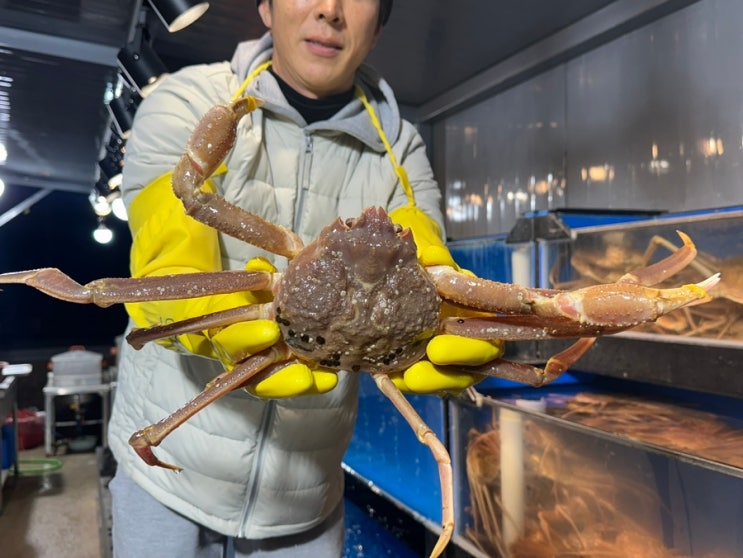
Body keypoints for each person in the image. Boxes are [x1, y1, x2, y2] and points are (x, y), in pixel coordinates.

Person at [108, 1, 500, 556]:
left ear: (379, 26)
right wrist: (181, 292)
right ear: (265, 7)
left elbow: (429, 256)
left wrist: (447, 296)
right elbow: (172, 221)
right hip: (168, 479)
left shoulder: (402, 147)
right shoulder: (189, 98)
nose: (329, 10)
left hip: (307, 494)